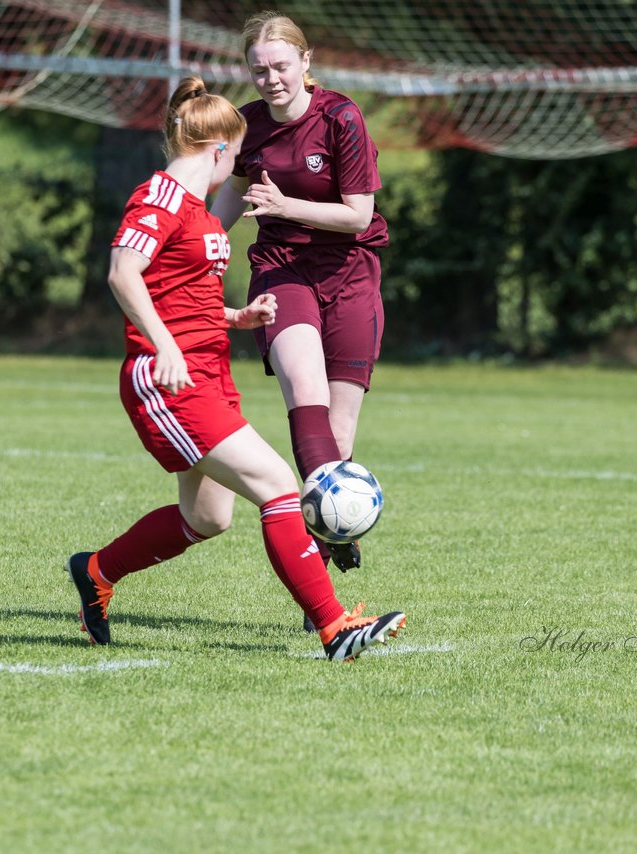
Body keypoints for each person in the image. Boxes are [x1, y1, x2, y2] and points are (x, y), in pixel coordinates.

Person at [65, 76, 404, 662]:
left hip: (206, 371)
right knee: (277, 487)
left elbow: (175, 291)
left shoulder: (194, 211)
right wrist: (165, 346)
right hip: (170, 379)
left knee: (207, 517)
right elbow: (123, 272)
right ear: (221, 149)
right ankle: (334, 626)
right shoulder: (161, 198)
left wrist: (235, 316)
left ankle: (95, 571)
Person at [211, 11, 388, 576]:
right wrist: (204, 249)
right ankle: (322, 585)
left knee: (337, 435)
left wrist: (287, 205)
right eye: (259, 69)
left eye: (282, 66)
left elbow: (358, 216)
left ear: (306, 62)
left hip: (351, 271)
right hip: (282, 269)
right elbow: (232, 197)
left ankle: (332, 533)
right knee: (304, 393)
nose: (272, 79)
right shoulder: (245, 126)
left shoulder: (341, 116)